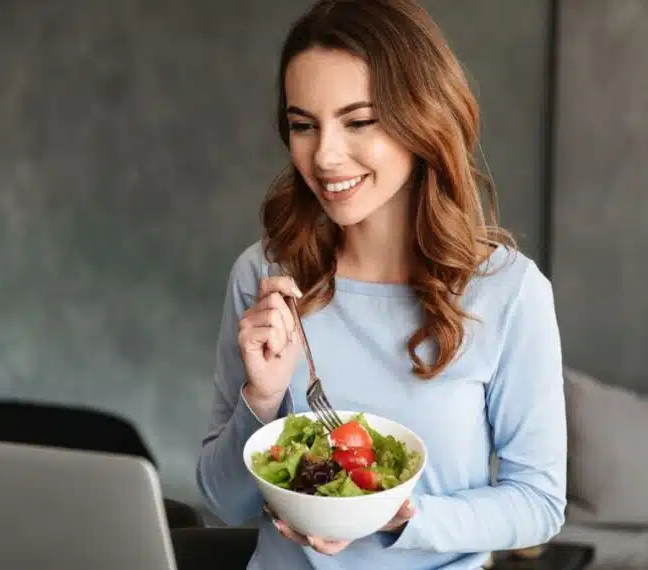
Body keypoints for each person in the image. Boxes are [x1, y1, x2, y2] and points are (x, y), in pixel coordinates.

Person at [195, 0, 567, 568]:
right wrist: (263, 399)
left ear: (423, 117)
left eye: (359, 121)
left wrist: (408, 516)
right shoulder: (265, 276)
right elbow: (224, 501)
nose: (324, 155)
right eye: (303, 126)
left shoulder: (509, 292)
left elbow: (539, 503)